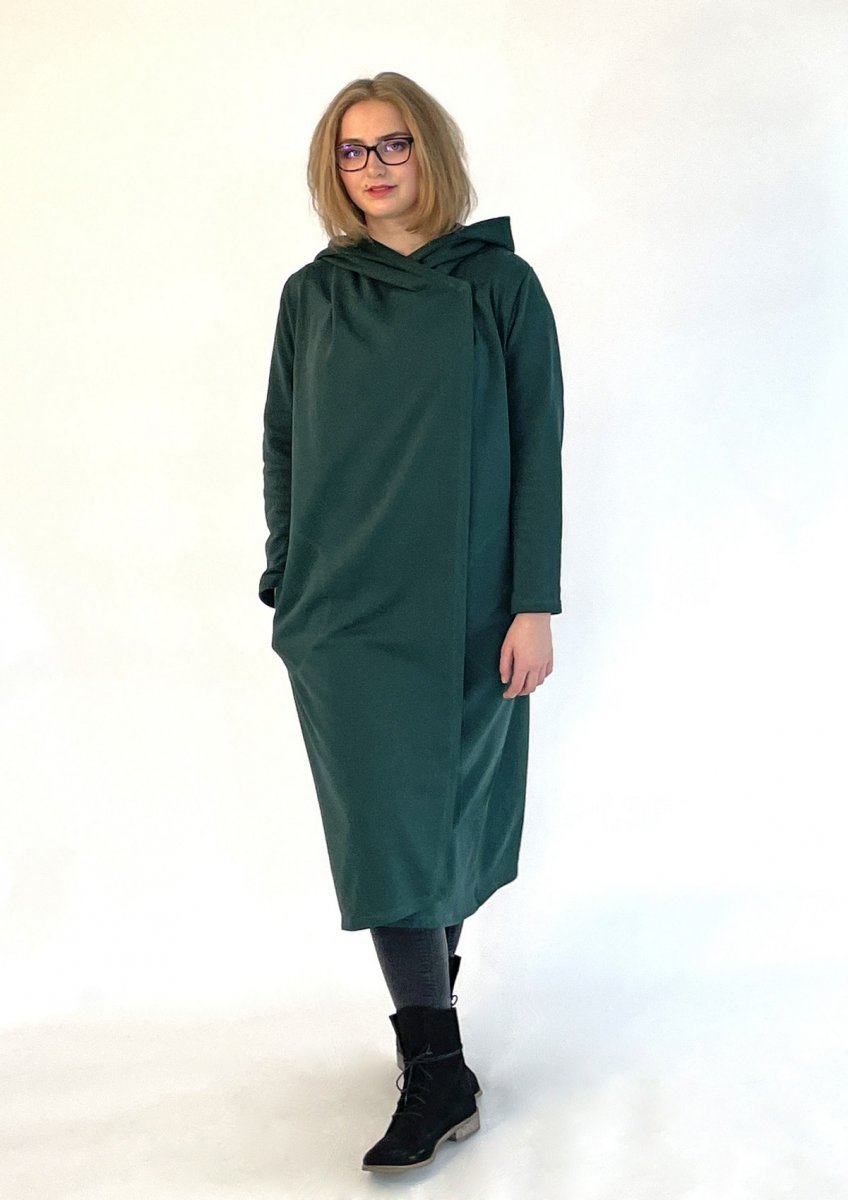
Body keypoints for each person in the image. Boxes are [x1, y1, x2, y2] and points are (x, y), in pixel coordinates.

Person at [259, 71, 564, 1173]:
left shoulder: (499, 285)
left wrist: (533, 602)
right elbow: (284, 441)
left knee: (443, 830)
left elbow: (537, 447)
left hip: (466, 610)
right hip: (342, 616)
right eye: (353, 151)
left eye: (392, 144)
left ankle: (429, 1034)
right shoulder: (313, 295)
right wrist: (285, 577)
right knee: (387, 838)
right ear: (332, 170)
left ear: (428, 150)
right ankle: (436, 1062)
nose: (375, 166)